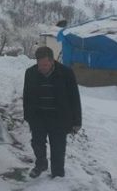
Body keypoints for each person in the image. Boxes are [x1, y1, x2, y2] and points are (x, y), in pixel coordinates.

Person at [23, 46, 82, 178]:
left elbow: (74, 98)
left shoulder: (66, 73)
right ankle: (41, 164)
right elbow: (26, 96)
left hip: (59, 117)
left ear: (52, 61)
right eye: (39, 64)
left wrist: (77, 121)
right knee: (37, 143)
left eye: (45, 64)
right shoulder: (30, 73)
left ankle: (57, 172)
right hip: (38, 116)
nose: (42, 67)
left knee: (58, 147)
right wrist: (28, 116)